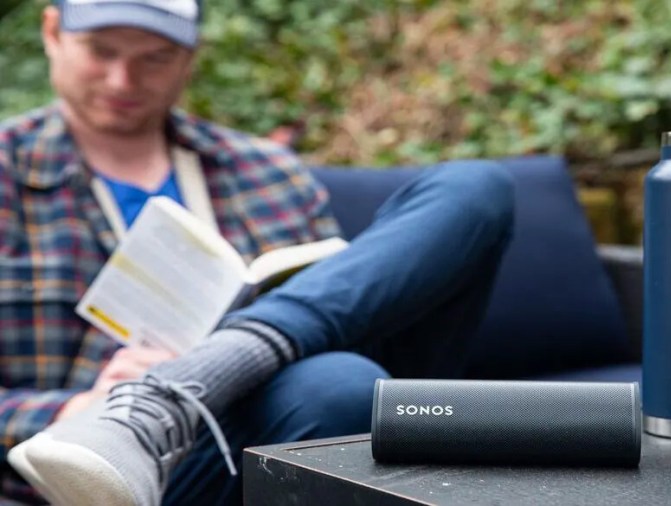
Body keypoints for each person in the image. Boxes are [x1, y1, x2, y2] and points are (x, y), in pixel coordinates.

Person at [0, 1, 514, 505]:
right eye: (100, 50)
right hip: (100, 471)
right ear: (53, 33)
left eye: (154, 58)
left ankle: (183, 384)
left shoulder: (268, 171)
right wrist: (75, 407)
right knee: (341, 390)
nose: (122, 80)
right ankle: (151, 410)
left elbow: (345, 316)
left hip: (275, 415)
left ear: (190, 56)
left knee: (476, 188)